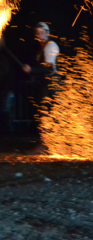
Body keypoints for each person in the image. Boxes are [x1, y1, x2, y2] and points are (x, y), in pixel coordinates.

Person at [22, 22, 59, 153]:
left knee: (45, 112)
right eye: (37, 32)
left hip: (51, 83)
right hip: (45, 83)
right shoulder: (42, 48)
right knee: (43, 113)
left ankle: (45, 145)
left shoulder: (51, 46)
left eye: (42, 31)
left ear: (47, 33)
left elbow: (48, 67)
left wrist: (32, 70)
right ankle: (46, 143)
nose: (39, 34)